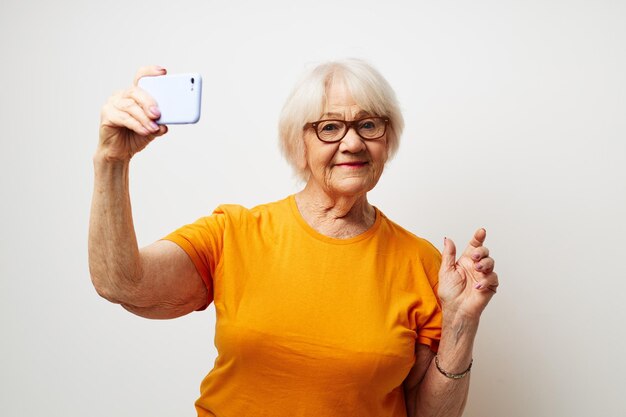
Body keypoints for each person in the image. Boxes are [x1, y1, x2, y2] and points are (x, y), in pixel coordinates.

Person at [89, 59, 499, 417]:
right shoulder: (235, 233)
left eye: (369, 124)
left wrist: (461, 323)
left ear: (387, 140)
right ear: (297, 144)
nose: (353, 142)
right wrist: (112, 160)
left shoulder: (423, 263)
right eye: (330, 127)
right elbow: (121, 283)